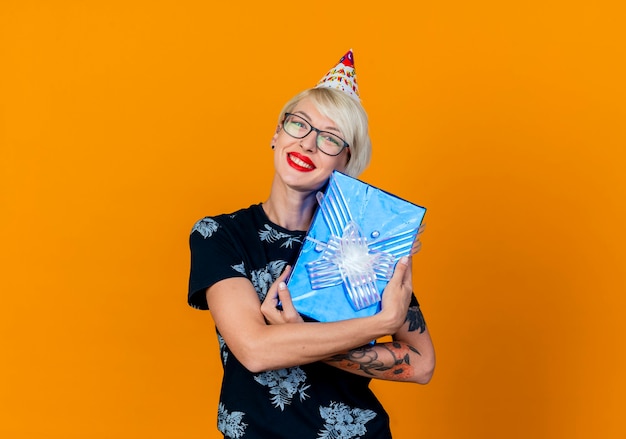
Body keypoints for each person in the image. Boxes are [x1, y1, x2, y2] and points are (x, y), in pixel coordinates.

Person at [188, 50, 435, 439]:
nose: (307, 144)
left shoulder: (364, 245)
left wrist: (295, 334)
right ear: (276, 133)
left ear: (346, 163)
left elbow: (420, 364)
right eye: (299, 124)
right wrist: (377, 324)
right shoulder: (220, 235)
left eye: (330, 139)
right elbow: (256, 351)